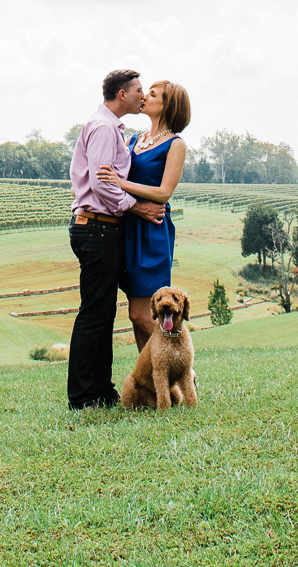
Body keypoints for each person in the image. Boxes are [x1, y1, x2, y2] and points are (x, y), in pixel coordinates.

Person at [66, 68, 164, 410]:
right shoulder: (105, 128)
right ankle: (83, 396)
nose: (142, 95)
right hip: (97, 226)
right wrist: (138, 209)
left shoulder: (111, 128)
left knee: (102, 312)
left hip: (102, 227)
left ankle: (100, 390)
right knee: (94, 313)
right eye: (139, 90)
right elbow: (102, 184)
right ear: (122, 94)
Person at [97, 79, 190, 350]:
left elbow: (163, 192)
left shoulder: (175, 144)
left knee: (143, 313)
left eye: (152, 94)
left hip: (152, 231)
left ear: (168, 105)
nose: (144, 97)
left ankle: (184, 367)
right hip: (128, 228)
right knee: (135, 316)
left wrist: (120, 183)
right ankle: (149, 386)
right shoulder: (134, 139)